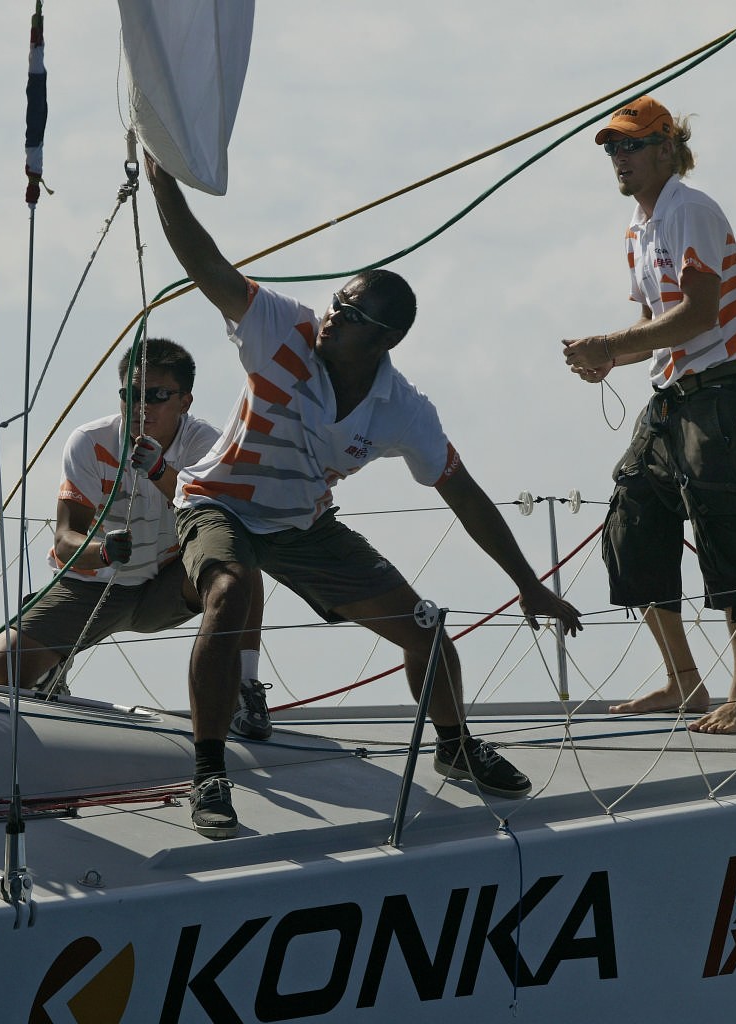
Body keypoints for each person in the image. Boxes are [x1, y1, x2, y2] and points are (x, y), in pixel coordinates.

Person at [144, 153, 583, 840]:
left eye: (349, 316)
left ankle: (455, 744)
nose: (331, 318)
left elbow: (463, 494)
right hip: (218, 501)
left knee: (425, 629)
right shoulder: (281, 327)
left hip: (303, 526)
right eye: (337, 303)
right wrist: (162, 183)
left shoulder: (401, 409)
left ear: (386, 341)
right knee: (230, 590)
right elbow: (207, 265)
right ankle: (209, 774)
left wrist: (529, 584)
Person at [562, 95, 736, 735]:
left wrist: (610, 345)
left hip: (718, 388)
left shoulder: (691, 211)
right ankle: (685, 679)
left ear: (664, 149)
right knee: (631, 520)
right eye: (611, 148)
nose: (617, 158)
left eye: (629, 146)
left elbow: (702, 314)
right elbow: (661, 328)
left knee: (720, 526)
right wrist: (614, 361)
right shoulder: (639, 225)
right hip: (674, 388)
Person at [0, 337, 273, 742]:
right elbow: (66, 539)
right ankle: (50, 672)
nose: (141, 407)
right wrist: (100, 550)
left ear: (184, 402)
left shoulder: (206, 444)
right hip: (95, 586)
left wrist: (158, 470)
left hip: (169, 583)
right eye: (131, 395)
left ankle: (244, 688)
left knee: (239, 559)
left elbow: (218, 519)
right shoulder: (90, 442)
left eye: (156, 396)